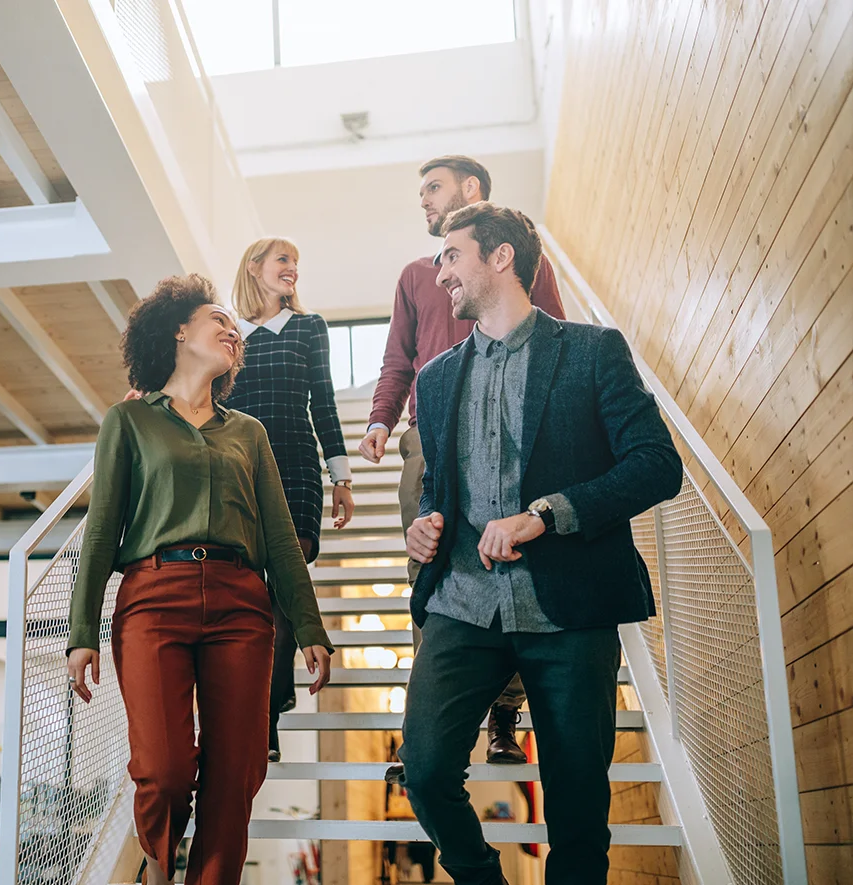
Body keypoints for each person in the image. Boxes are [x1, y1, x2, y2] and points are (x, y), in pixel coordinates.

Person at [397, 203, 681, 883]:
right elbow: (440, 486)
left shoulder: (591, 351)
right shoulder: (433, 380)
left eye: (451, 255)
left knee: (577, 799)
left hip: (570, 607)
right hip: (460, 603)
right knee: (428, 767)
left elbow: (655, 464)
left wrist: (546, 514)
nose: (439, 274)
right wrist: (425, 522)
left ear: (499, 258)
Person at [66, 274, 334, 885]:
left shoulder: (249, 432)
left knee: (236, 773)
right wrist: (81, 630)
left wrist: (310, 624)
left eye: (235, 328)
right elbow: (102, 530)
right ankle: (156, 872)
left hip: (243, 606)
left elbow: (280, 539)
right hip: (153, 599)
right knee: (163, 769)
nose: (232, 330)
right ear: (180, 330)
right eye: (219, 319)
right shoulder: (129, 423)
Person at [359, 155, 567, 765]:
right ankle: (422, 726)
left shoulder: (524, 263)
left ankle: (504, 718)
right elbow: (399, 357)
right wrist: (380, 417)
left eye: (434, 189)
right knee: (429, 576)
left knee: (514, 571)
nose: (423, 200)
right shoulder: (415, 277)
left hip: (517, 439)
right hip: (431, 442)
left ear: (470, 189)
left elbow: (554, 337)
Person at [223, 237, 354, 763]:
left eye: (296, 262)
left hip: (297, 471)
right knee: (250, 600)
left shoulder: (309, 327)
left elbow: (323, 401)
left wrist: (340, 476)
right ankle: (254, 711)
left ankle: (266, 719)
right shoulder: (228, 334)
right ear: (254, 267)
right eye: (283, 260)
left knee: (280, 598)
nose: (292, 269)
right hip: (238, 473)